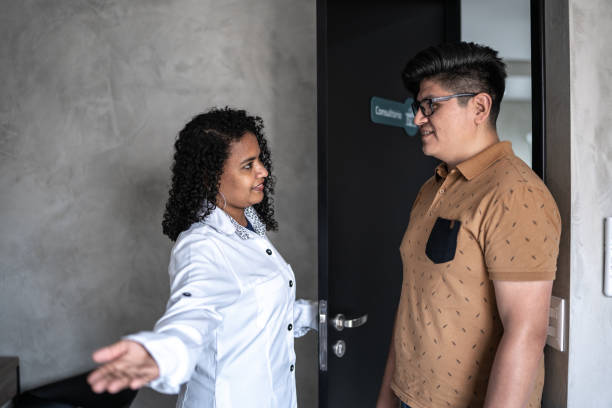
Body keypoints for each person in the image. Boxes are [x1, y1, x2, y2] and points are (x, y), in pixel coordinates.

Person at [87, 107, 317, 407]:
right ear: (211, 176)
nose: (263, 171)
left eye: (260, 159)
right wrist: (161, 353)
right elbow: (193, 314)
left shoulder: (248, 229)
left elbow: (256, 310)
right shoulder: (201, 245)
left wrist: (318, 314)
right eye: (248, 165)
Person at [376, 42, 561, 408]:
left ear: (479, 106)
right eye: (418, 106)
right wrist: (387, 398)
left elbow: (526, 333)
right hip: (409, 397)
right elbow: (412, 302)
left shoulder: (515, 194)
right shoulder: (432, 188)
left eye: (430, 105)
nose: (417, 119)